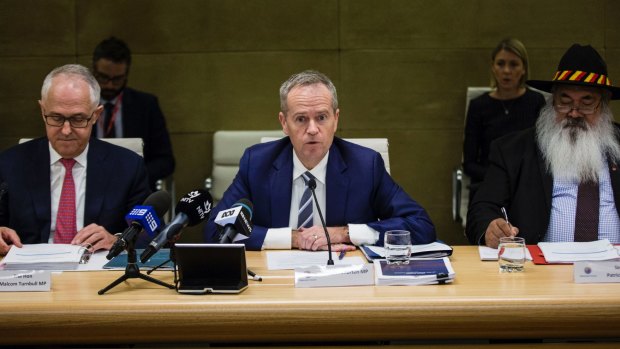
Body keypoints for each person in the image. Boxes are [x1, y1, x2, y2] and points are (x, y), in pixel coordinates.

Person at [204, 70, 436, 251]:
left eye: (322, 117)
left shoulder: (366, 166)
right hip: (274, 283)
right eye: (301, 119)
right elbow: (215, 231)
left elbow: (421, 226)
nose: (312, 129)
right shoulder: (257, 163)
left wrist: (344, 233)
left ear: (335, 119)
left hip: (345, 281)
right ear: (284, 123)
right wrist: (293, 238)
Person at [466, 44, 620, 248]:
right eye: (564, 101)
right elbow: (482, 207)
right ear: (552, 102)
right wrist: (490, 227)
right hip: (539, 271)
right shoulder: (512, 150)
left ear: (604, 105)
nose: (574, 113)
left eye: (587, 102)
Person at [0, 64, 151, 255]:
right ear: (42, 110)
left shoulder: (127, 167)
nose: (66, 130)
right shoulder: (9, 165)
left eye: (78, 119)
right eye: (56, 117)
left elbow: (150, 233)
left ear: (96, 115)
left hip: (98, 273)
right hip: (29, 276)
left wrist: (117, 239)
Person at [463, 38, 545, 200]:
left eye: (513, 64)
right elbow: (469, 164)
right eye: (501, 64)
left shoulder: (536, 101)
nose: (506, 71)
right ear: (493, 67)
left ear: (523, 69)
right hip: (489, 182)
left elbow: (542, 152)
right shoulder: (478, 105)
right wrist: (500, 176)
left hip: (526, 184)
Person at [92, 37, 175, 190]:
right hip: (90, 186)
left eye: (117, 79)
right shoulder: (79, 105)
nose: (110, 85)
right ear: (93, 72)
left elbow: (165, 161)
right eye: (104, 78)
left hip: (133, 188)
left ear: (126, 75)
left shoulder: (145, 106)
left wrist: (134, 175)